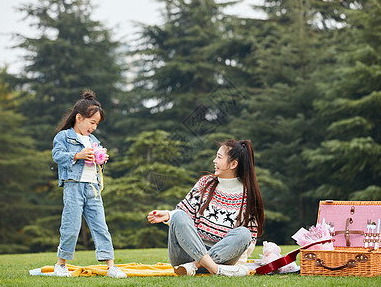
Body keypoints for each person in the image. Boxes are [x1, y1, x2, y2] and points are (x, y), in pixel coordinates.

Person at [147, 139, 265, 276]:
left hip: (222, 258)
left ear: (233, 164)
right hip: (186, 254)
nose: (214, 161)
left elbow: (246, 243)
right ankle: (214, 270)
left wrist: (238, 265)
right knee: (178, 215)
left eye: (219, 157)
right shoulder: (205, 183)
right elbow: (183, 216)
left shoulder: (248, 196)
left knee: (244, 234)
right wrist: (168, 215)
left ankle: (194, 266)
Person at [51, 91, 126, 278]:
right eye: (92, 122)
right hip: (74, 186)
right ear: (79, 117)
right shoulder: (64, 136)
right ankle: (61, 265)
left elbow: (94, 163)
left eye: (96, 124)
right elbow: (57, 156)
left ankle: (111, 266)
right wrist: (77, 155)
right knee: (71, 226)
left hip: (92, 188)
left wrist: (102, 160)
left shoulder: (94, 141)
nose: (94, 127)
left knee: (101, 226)